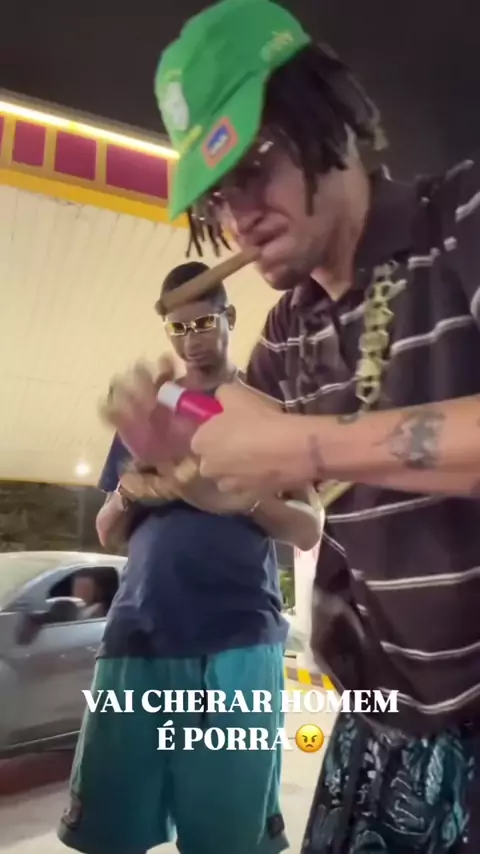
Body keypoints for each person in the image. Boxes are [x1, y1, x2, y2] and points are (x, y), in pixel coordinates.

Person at [150, 1, 480, 851]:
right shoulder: (289, 329)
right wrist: (178, 438)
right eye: (218, 194)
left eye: (255, 166)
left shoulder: (460, 220)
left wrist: (306, 441)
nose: (239, 215)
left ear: (325, 115)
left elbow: (292, 449)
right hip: (380, 724)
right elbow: (264, 477)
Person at [58, 261, 322, 854]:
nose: (192, 338)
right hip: (137, 637)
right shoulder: (150, 415)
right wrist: (133, 492)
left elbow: (309, 527)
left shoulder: (262, 412)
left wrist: (230, 493)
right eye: (178, 328)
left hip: (238, 643)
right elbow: (107, 530)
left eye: (204, 322)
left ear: (230, 317)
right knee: (110, 830)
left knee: (226, 838)